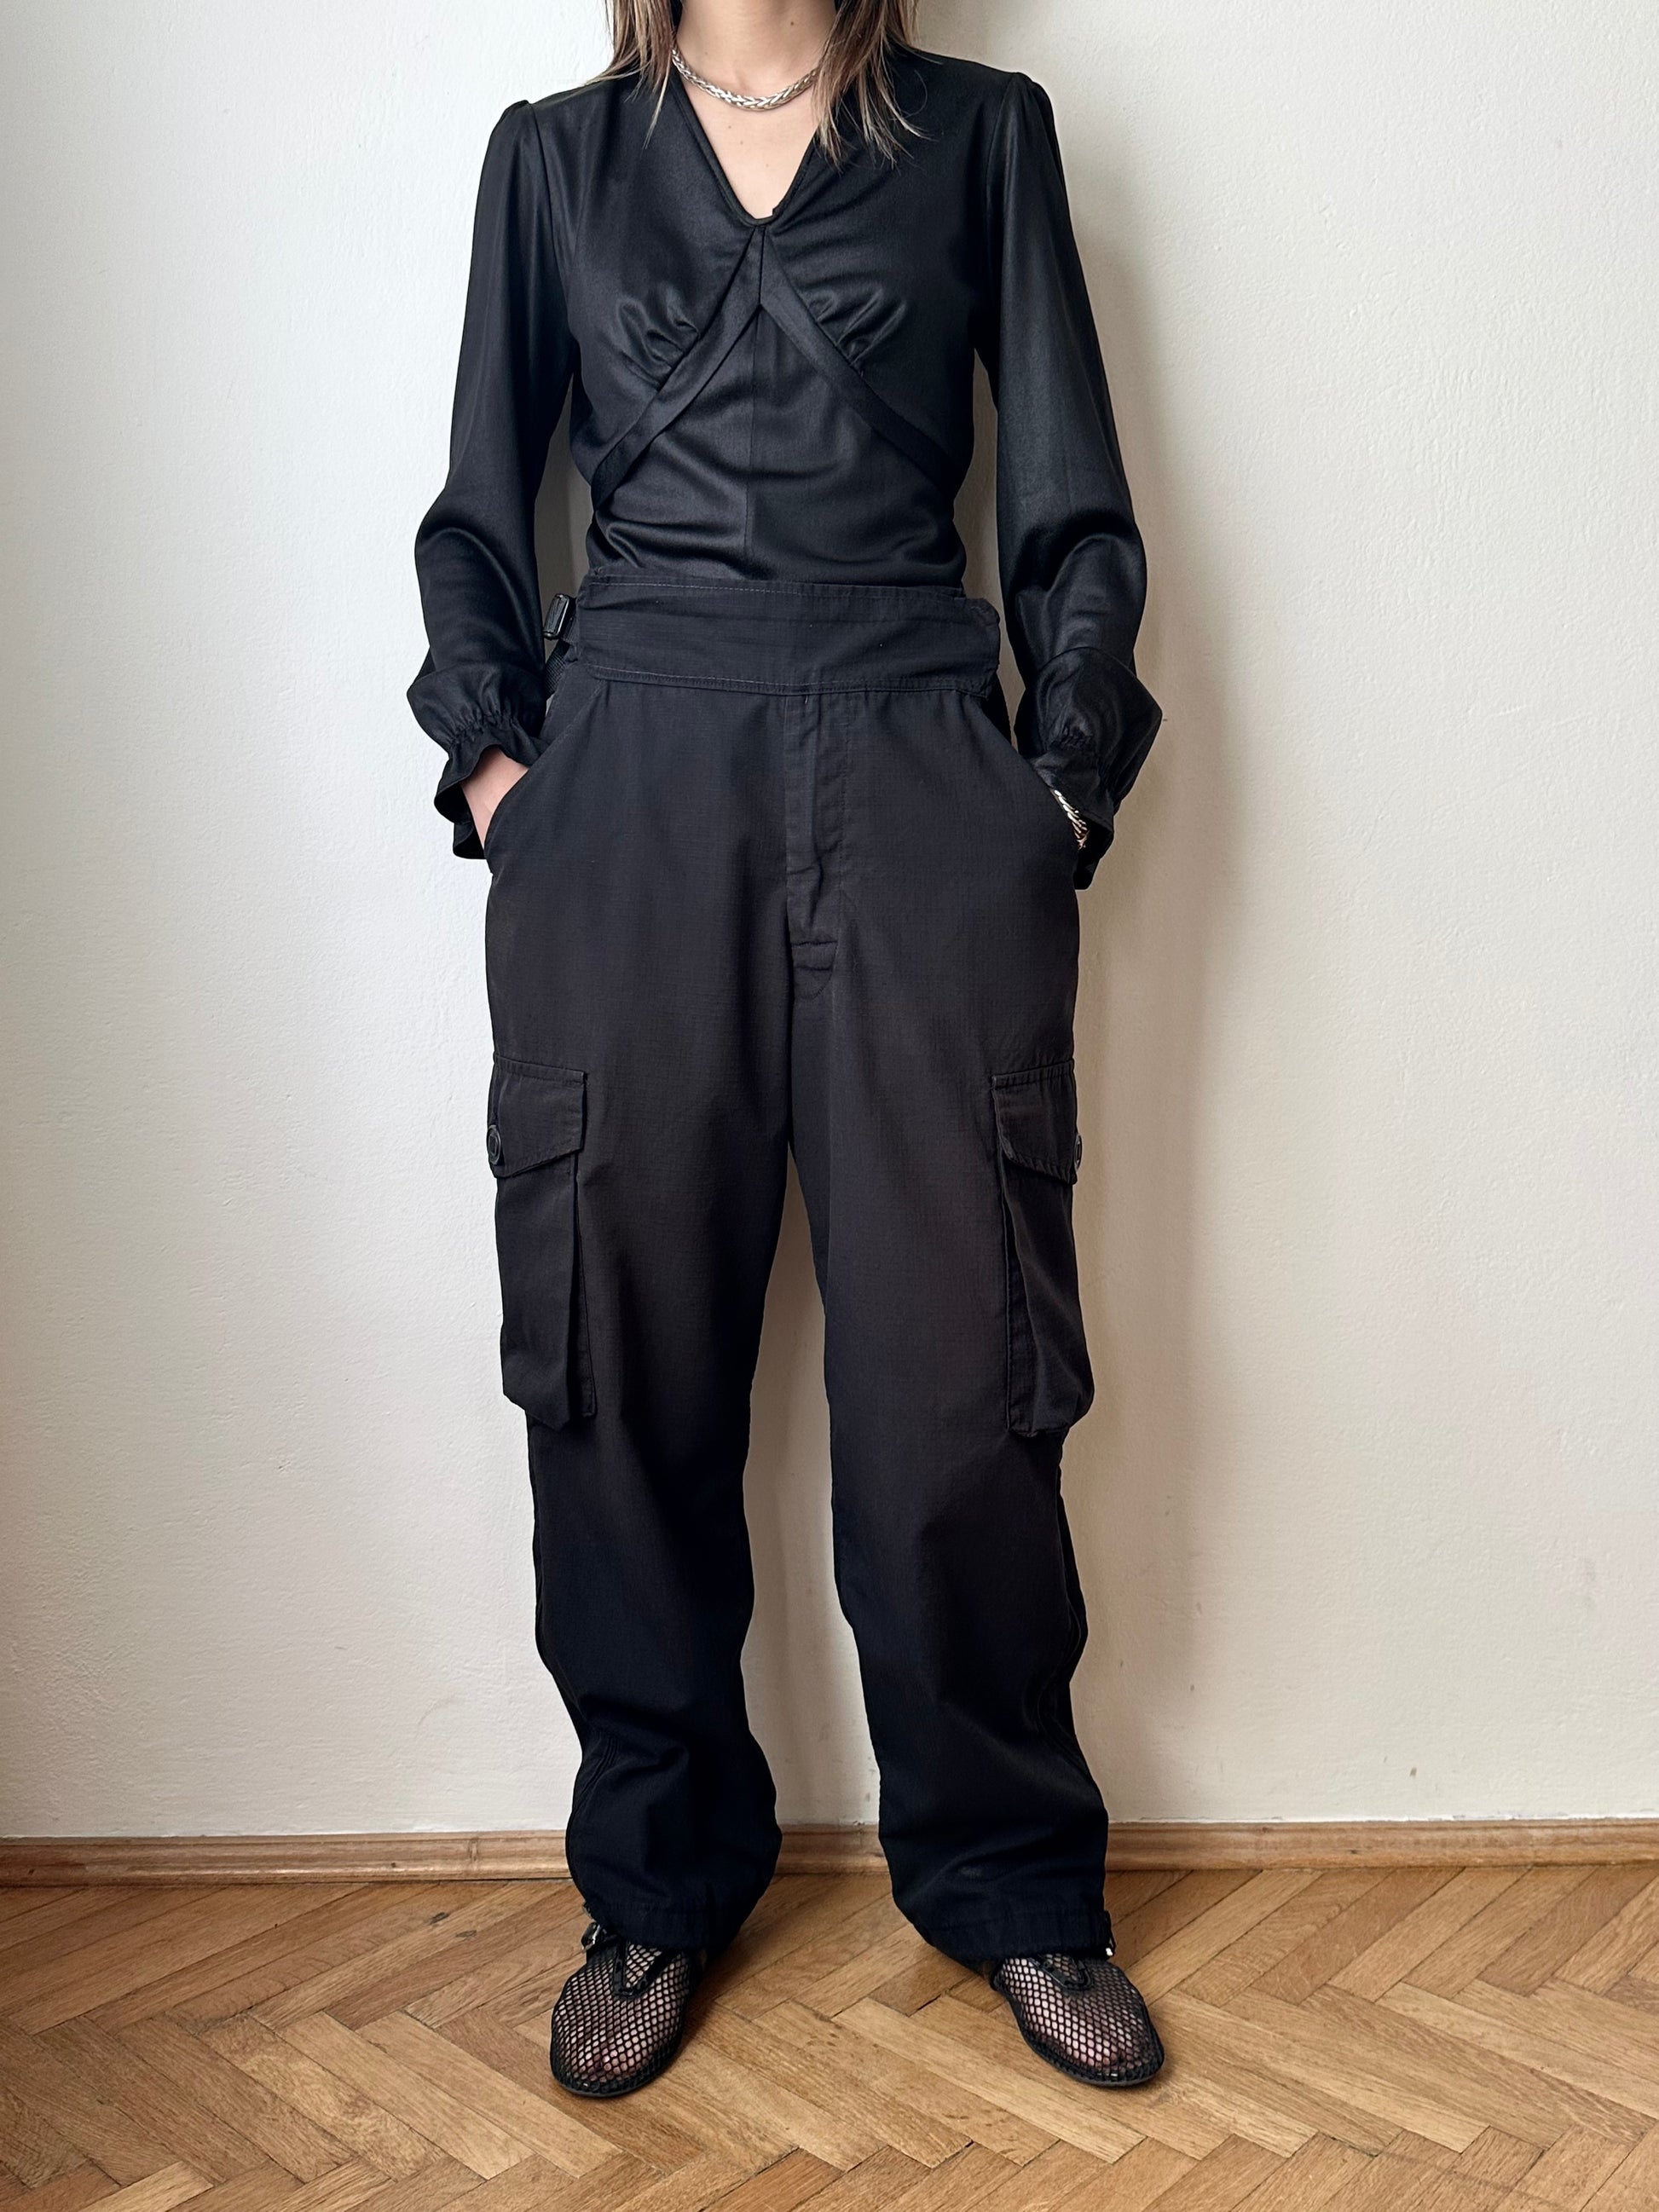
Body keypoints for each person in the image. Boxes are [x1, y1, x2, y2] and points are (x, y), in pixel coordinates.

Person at [408, 0, 1166, 2100]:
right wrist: (500, 772)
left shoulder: (983, 138)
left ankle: (1012, 1875)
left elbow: (1073, 515)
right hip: (627, 780)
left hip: (919, 760)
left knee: (958, 1382)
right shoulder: (552, 159)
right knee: (617, 1360)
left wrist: (1054, 789)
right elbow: (478, 516)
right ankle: (655, 1877)